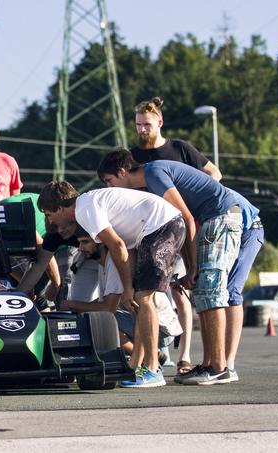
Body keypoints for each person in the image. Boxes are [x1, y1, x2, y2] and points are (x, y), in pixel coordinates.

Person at [97, 149, 263, 385]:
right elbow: (182, 226)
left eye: (109, 181)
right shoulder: (149, 184)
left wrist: (193, 265)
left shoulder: (153, 172)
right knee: (203, 292)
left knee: (212, 291)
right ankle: (209, 364)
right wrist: (190, 266)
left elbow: (185, 217)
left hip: (222, 215)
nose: (109, 188)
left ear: (123, 171)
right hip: (211, 219)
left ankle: (219, 366)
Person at [38, 181, 185, 388]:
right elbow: (128, 247)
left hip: (162, 225)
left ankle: (152, 369)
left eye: (48, 214)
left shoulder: (84, 209)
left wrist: (126, 288)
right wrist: (129, 288)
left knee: (143, 298)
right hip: (154, 228)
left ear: (60, 208)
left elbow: (116, 245)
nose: (49, 220)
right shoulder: (88, 206)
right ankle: (135, 365)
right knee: (138, 299)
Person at [131, 96, 222, 374]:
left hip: (182, 226)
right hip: (148, 230)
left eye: (147, 124)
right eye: (138, 125)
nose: (142, 130)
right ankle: (153, 350)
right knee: (147, 290)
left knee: (179, 289)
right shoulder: (133, 156)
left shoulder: (179, 148)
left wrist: (192, 199)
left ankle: (184, 355)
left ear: (159, 122)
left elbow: (214, 173)